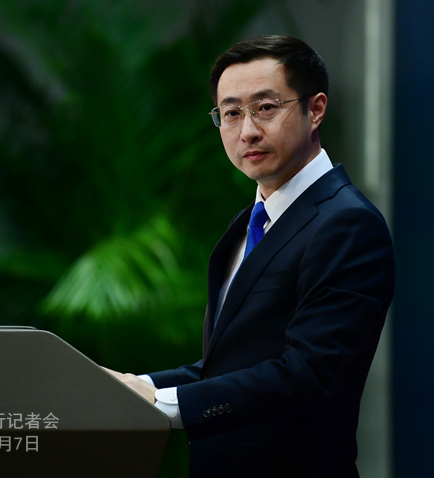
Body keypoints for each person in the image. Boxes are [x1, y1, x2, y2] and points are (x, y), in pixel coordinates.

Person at [105, 35, 395, 477]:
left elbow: (308, 373)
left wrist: (165, 403)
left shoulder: (348, 223)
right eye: (231, 113)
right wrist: (135, 388)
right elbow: (232, 365)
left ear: (315, 109)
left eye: (265, 108)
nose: (247, 131)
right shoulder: (249, 221)